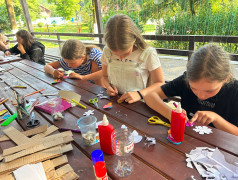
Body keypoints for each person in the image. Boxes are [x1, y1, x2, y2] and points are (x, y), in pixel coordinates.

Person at [144, 44, 238, 136]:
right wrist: (171, 114)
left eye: (209, 91)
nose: (201, 96)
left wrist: (217, 119)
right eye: (194, 88)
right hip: (187, 138)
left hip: (224, 146)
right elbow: (149, 96)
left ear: (226, 78)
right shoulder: (185, 80)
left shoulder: (234, 92)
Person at [101, 14, 164, 104]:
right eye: (115, 54)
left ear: (134, 39)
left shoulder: (147, 53)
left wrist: (139, 94)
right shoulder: (107, 51)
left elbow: (160, 83)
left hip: (141, 103)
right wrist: (108, 87)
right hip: (116, 100)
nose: (121, 58)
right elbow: (104, 76)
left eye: (125, 53)